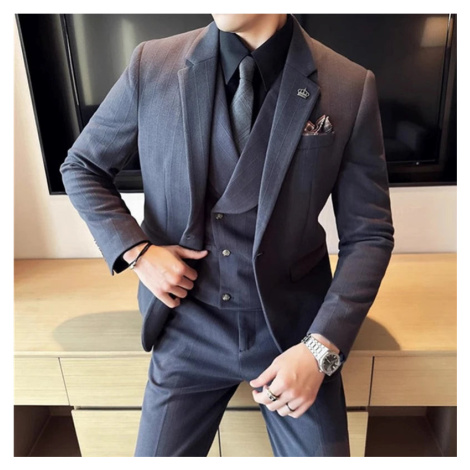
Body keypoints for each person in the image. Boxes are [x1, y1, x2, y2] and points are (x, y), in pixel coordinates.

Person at [60, 13, 394, 457]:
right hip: (186, 323)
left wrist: (320, 350)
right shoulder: (152, 65)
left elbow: (370, 235)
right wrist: (137, 252)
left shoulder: (349, 85)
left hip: (294, 330)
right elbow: (82, 166)